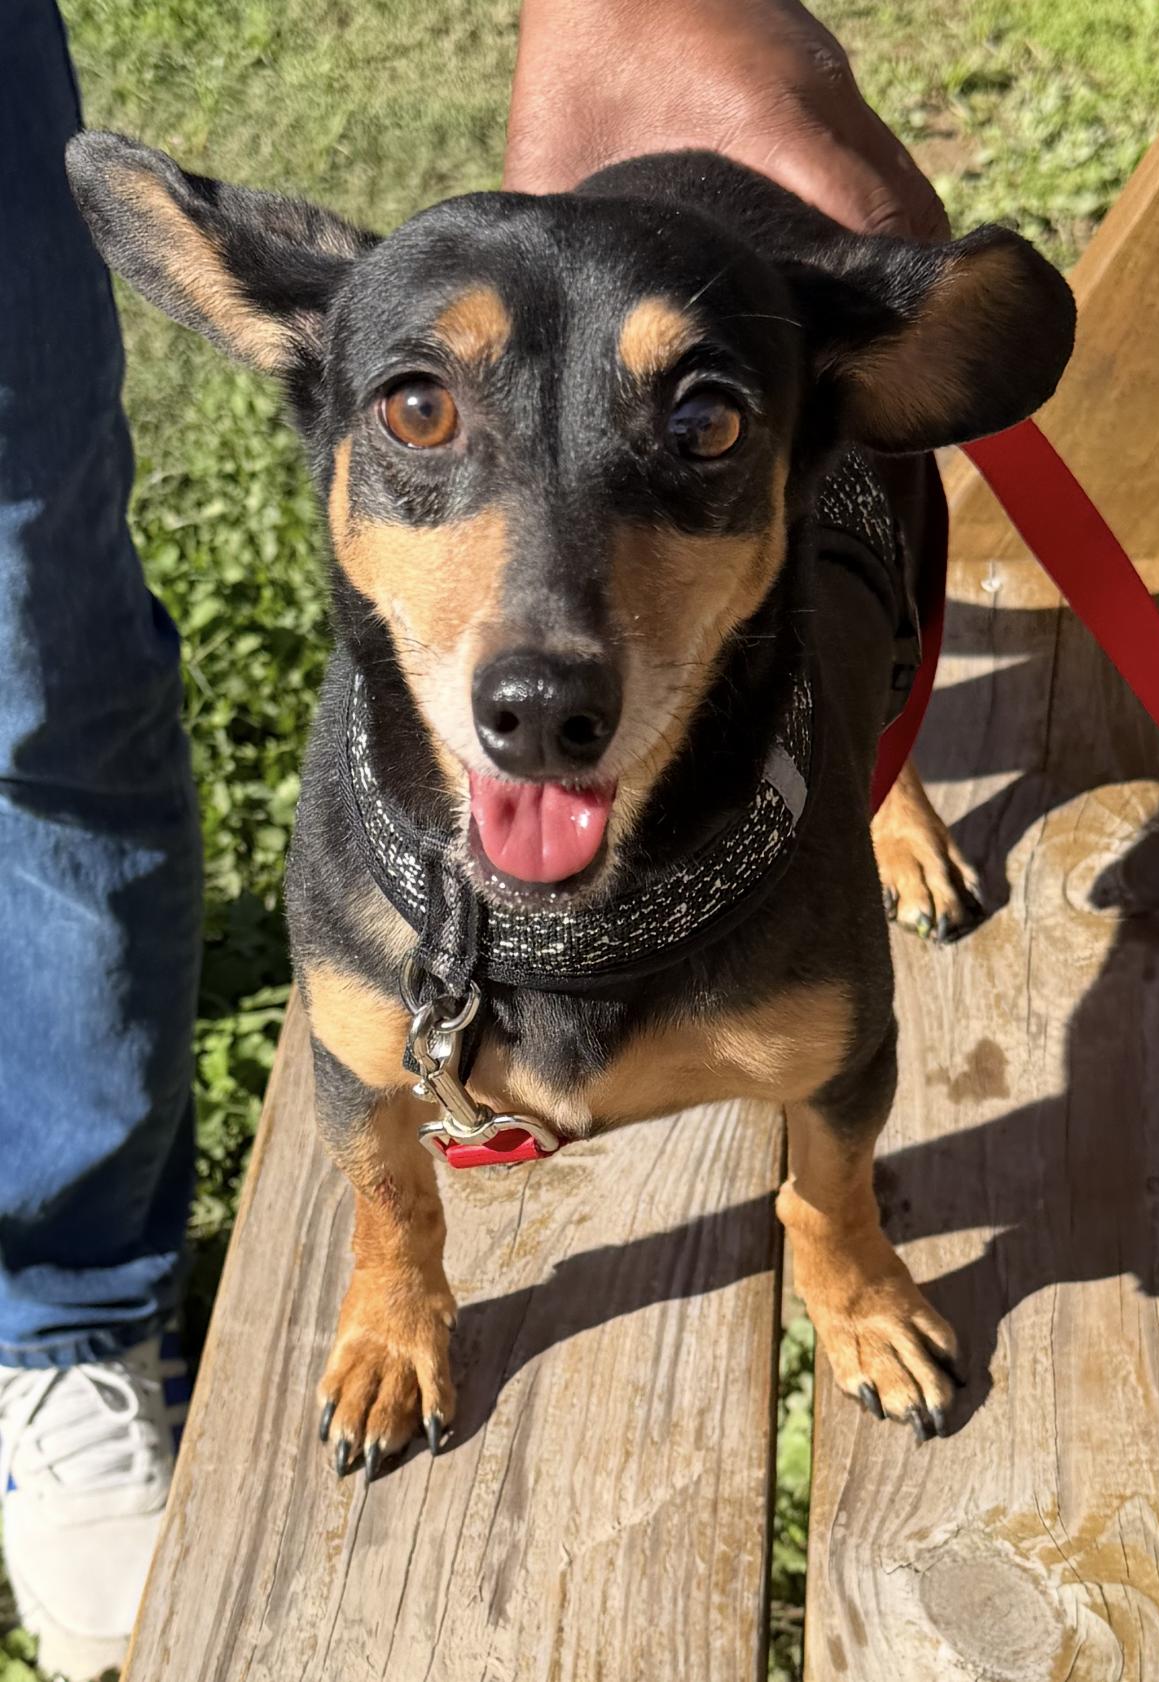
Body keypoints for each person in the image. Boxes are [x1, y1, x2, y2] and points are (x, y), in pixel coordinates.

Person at [0, 0, 941, 1673]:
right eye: (425, 417)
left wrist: (841, 1252)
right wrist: (398, 1257)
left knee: (853, 706)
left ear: (792, 440)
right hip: (418, 943)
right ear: (333, 419)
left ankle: (884, 840)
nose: (541, 650)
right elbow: (360, 1082)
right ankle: (392, 1275)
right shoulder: (363, 906)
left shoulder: (787, 960)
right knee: (365, 1070)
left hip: (773, 851)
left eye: (702, 425)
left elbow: (835, 1077)